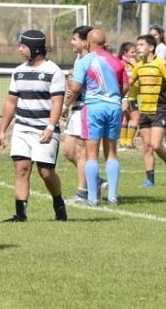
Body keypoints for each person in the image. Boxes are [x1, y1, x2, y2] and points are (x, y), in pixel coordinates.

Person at [0, 30, 67, 222]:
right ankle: (20, 214)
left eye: (23, 46)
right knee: (21, 168)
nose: (19, 49)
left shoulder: (53, 72)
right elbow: (11, 102)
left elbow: (57, 103)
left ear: (35, 49)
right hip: (22, 127)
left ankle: (58, 203)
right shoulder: (18, 71)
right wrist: (2, 130)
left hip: (44, 129)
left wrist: (51, 127)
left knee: (46, 172)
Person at [67, 29, 128, 205]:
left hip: (93, 108)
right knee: (112, 153)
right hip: (114, 107)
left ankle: (92, 198)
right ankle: (113, 197)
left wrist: (71, 79)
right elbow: (125, 86)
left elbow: (76, 87)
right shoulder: (117, 62)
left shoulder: (85, 61)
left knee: (91, 154)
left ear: (88, 43)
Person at [124, 34, 166, 187]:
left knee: (156, 144)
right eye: (137, 44)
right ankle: (149, 180)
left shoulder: (161, 64)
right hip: (144, 110)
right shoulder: (138, 66)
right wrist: (124, 97)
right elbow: (128, 84)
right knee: (146, 147)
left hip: (160, 109)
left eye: (141, 44)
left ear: (151, 47)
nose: (138, 47)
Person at [60, 25, 97, 203]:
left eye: (75, 38)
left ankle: (82, 193)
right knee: (68, 151)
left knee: (81, 152)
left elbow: (75, 88)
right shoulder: (79, 60)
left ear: (85, 42)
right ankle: (96, 180)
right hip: (76, 108)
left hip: (85, 108)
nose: (71, 42)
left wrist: (64, 105)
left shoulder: (91, 60)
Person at [149, 24, 166, 151]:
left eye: (155, 34)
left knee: (162, 111)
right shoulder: (152, 49)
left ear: (160, 35)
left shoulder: (162, 49)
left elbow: (157, 64)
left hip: (162, 84)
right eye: (151, 34)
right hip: (153, 84)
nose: (153, 37)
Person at [118, 41, 140, 150]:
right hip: (129, 97)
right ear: (125, 52)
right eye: (132, 52)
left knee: (126, 118)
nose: (134, 54)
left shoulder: (129, 63)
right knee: (136, 118)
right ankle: (129, 142)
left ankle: (122, 142)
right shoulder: (124, 64)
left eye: (135, 52)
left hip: (131, 96)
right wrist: (136, 64)